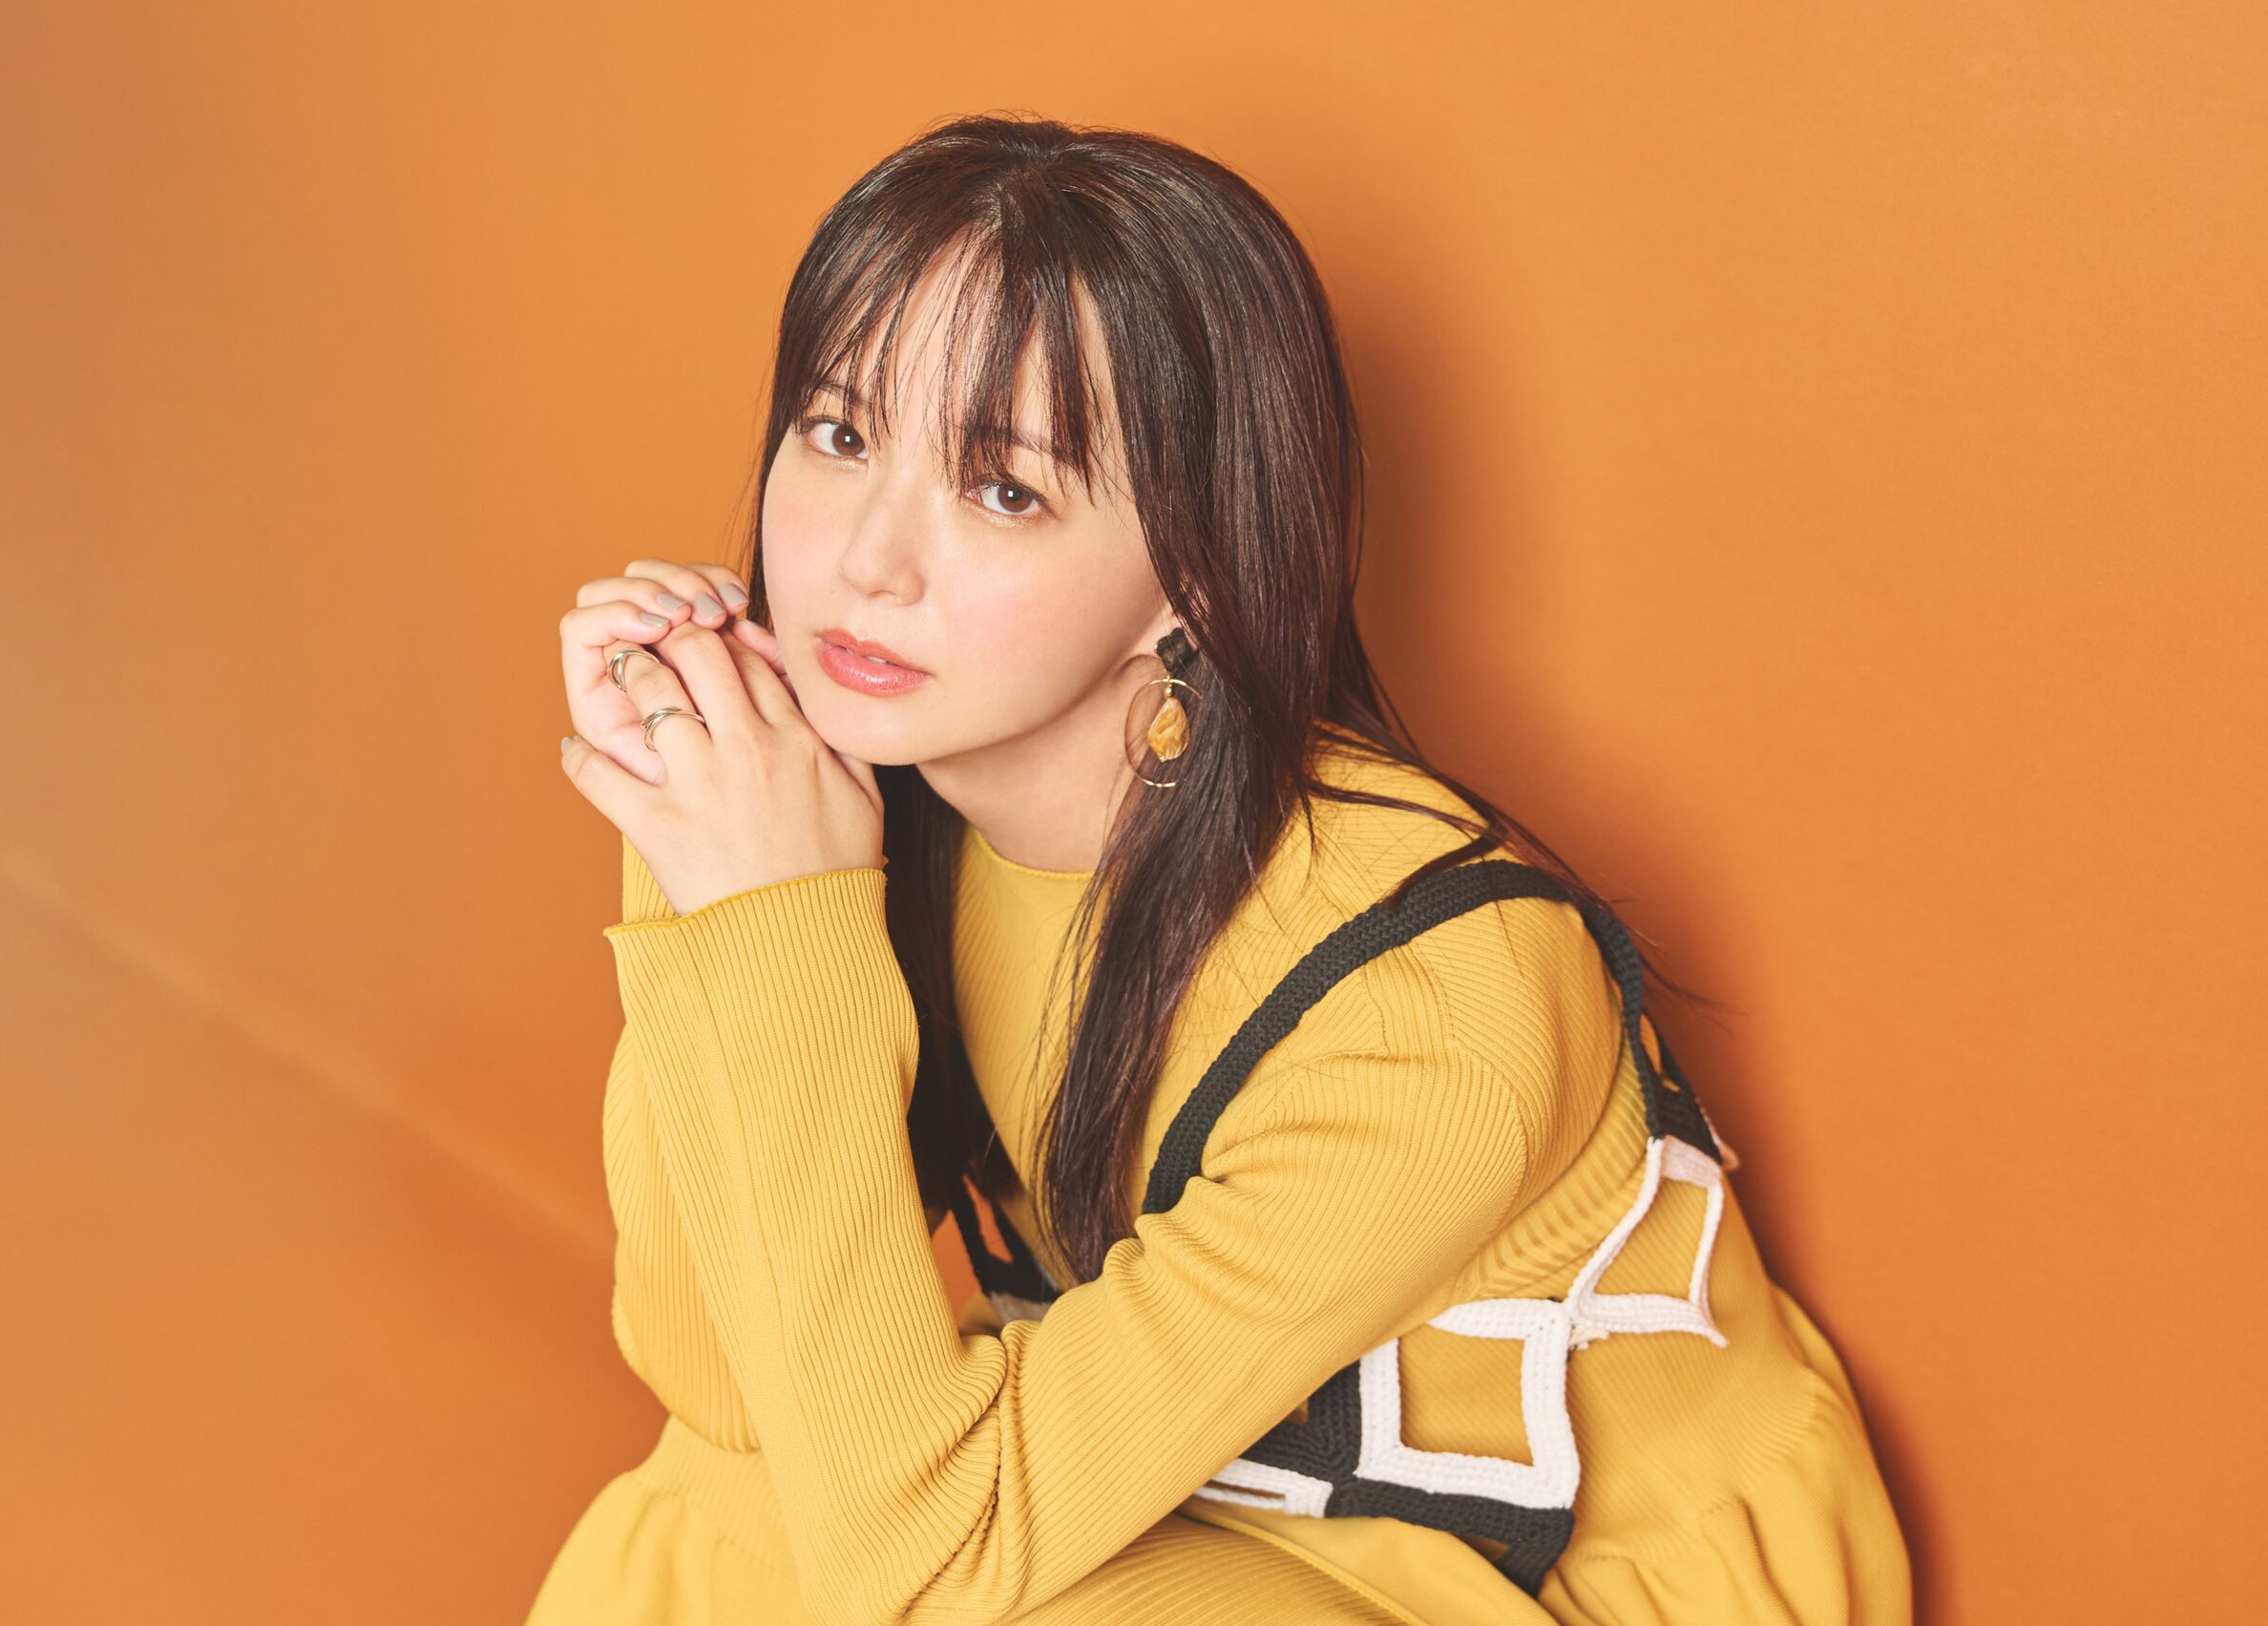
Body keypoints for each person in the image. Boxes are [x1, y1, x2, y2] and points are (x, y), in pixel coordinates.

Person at [534, 113, 1911, 1625]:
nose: (868, 558)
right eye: (840, 434)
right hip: (1210, 1504)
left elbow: (920, 1556)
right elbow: (727, 1392)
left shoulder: (1431, 1006)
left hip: (1544, 1574)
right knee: (717, 1510)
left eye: (1004, 489)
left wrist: (772, 913)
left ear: (1191, 570)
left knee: (922, 1571)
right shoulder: (894, 818)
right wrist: (707, 843)